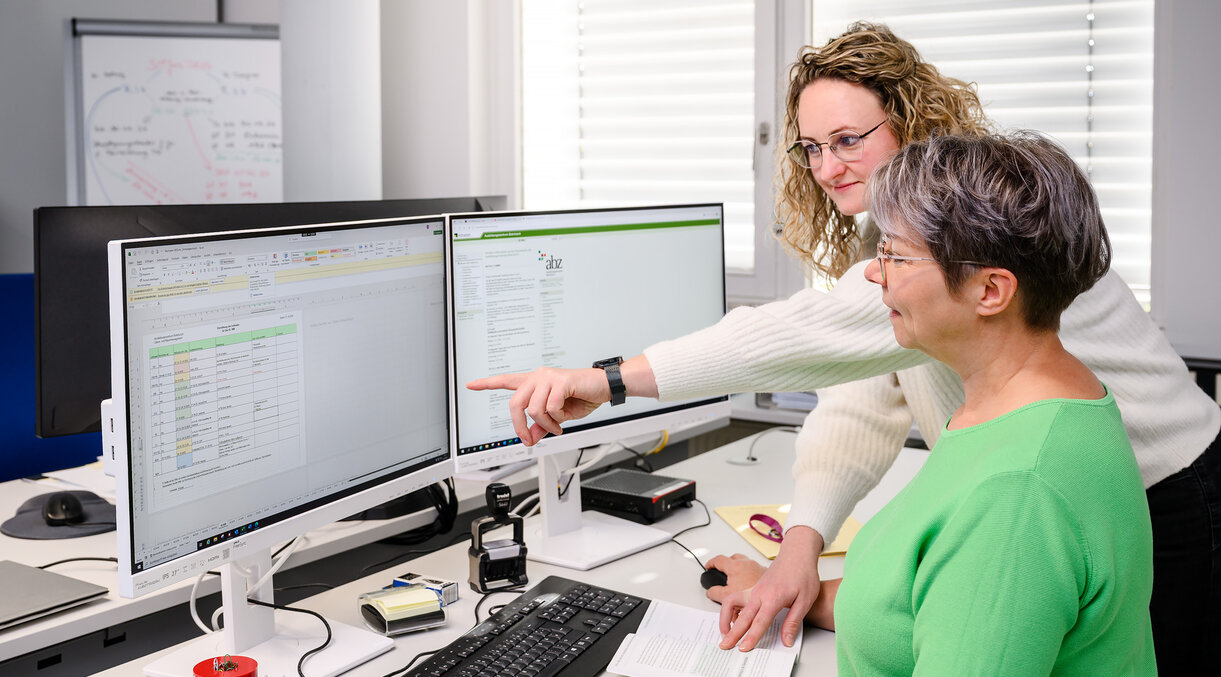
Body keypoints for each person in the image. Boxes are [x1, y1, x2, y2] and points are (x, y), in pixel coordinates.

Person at [468, 23, 1220, 673]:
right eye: (810, 149)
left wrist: (606, 380)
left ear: (910, 122)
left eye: (848, 140)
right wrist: (799, 554)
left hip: (1172, 487)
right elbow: (858, 402)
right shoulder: (910, 247)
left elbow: (797, 335)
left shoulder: (973, 227)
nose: (827, 167)